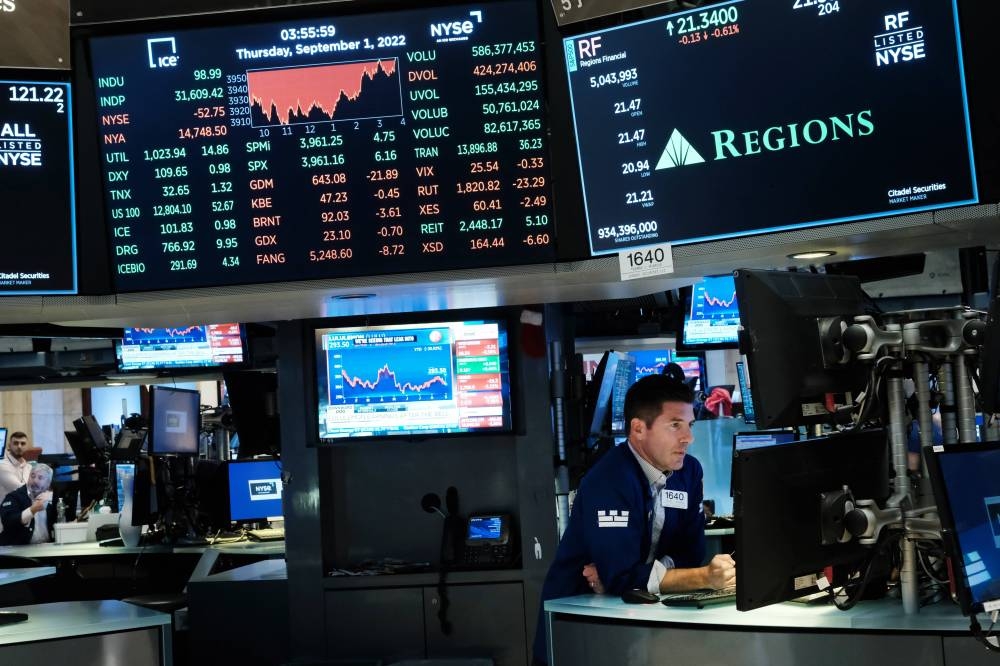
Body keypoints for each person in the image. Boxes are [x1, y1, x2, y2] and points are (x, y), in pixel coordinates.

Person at [532, 373, 736, 664]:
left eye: (689, 425)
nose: (688, 438)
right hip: (580, 619)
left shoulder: (688, 472)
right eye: (675, 425)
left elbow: (692, 552)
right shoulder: (609, 480)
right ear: (639, 429)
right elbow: (621, 574)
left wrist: (640, 578)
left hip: (638, 612)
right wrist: (702, 578)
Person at [0, 463, 55, 545]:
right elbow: (9, 521)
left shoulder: (51, 499)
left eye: (40, 478)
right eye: (32, 476)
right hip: (18, 551)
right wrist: (33, 510)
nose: (35, 480)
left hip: (48, 548)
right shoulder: (14, 497)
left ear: (48, 484)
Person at [0, 431, 33, 501]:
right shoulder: (2, 464)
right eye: (16, 443)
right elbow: (20, 490)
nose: (19, 446)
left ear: (27, 446)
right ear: (9, 445)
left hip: (24, 508)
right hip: (6, 510)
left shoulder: (29, 467)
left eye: (23, 443)